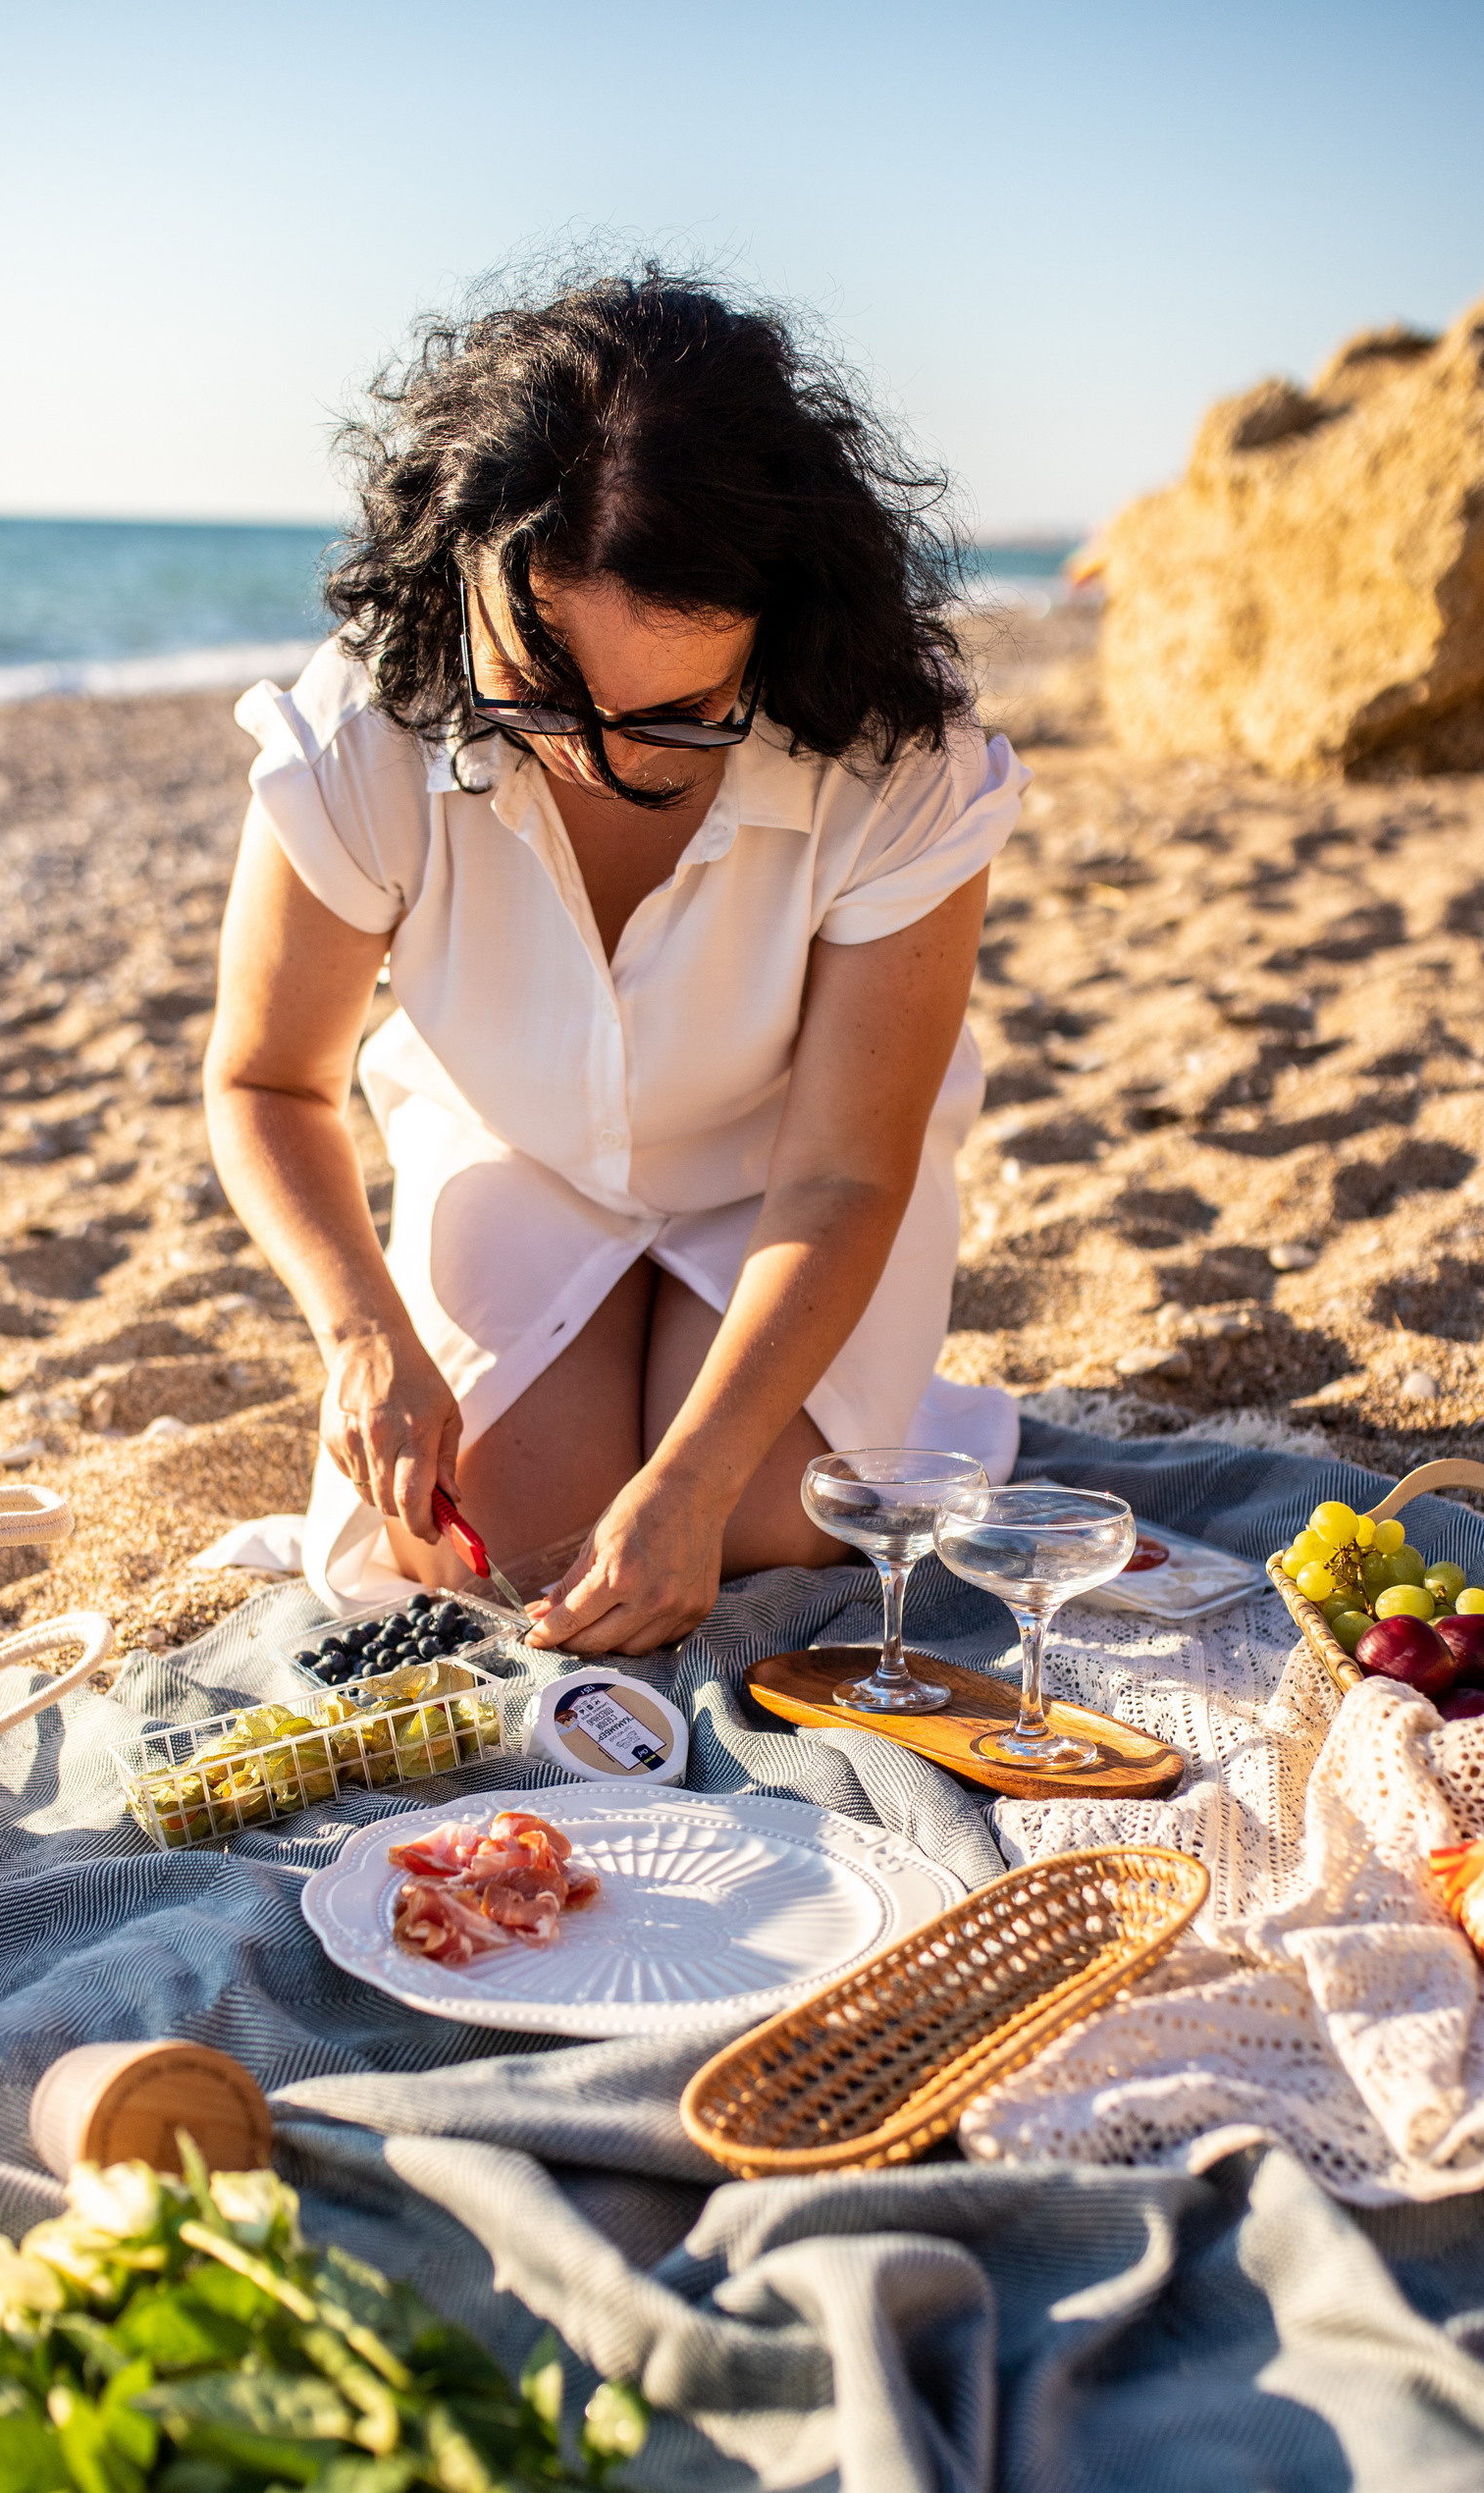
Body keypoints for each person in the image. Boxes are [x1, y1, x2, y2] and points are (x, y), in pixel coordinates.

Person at [206, 267, 1028, 1660]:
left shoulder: (901, 760)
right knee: (511, 1540)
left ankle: (835, 1407)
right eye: (537, 682)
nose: (596, 757)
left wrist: (699, 1477)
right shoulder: (364, 729)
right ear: (456, 572)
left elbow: (844, 1172)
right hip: (516, 1154)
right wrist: (361, 1332)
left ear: (781, 627)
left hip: (795, 1183)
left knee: (773, 1520)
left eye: (681, 715)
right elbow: (268, 1079)